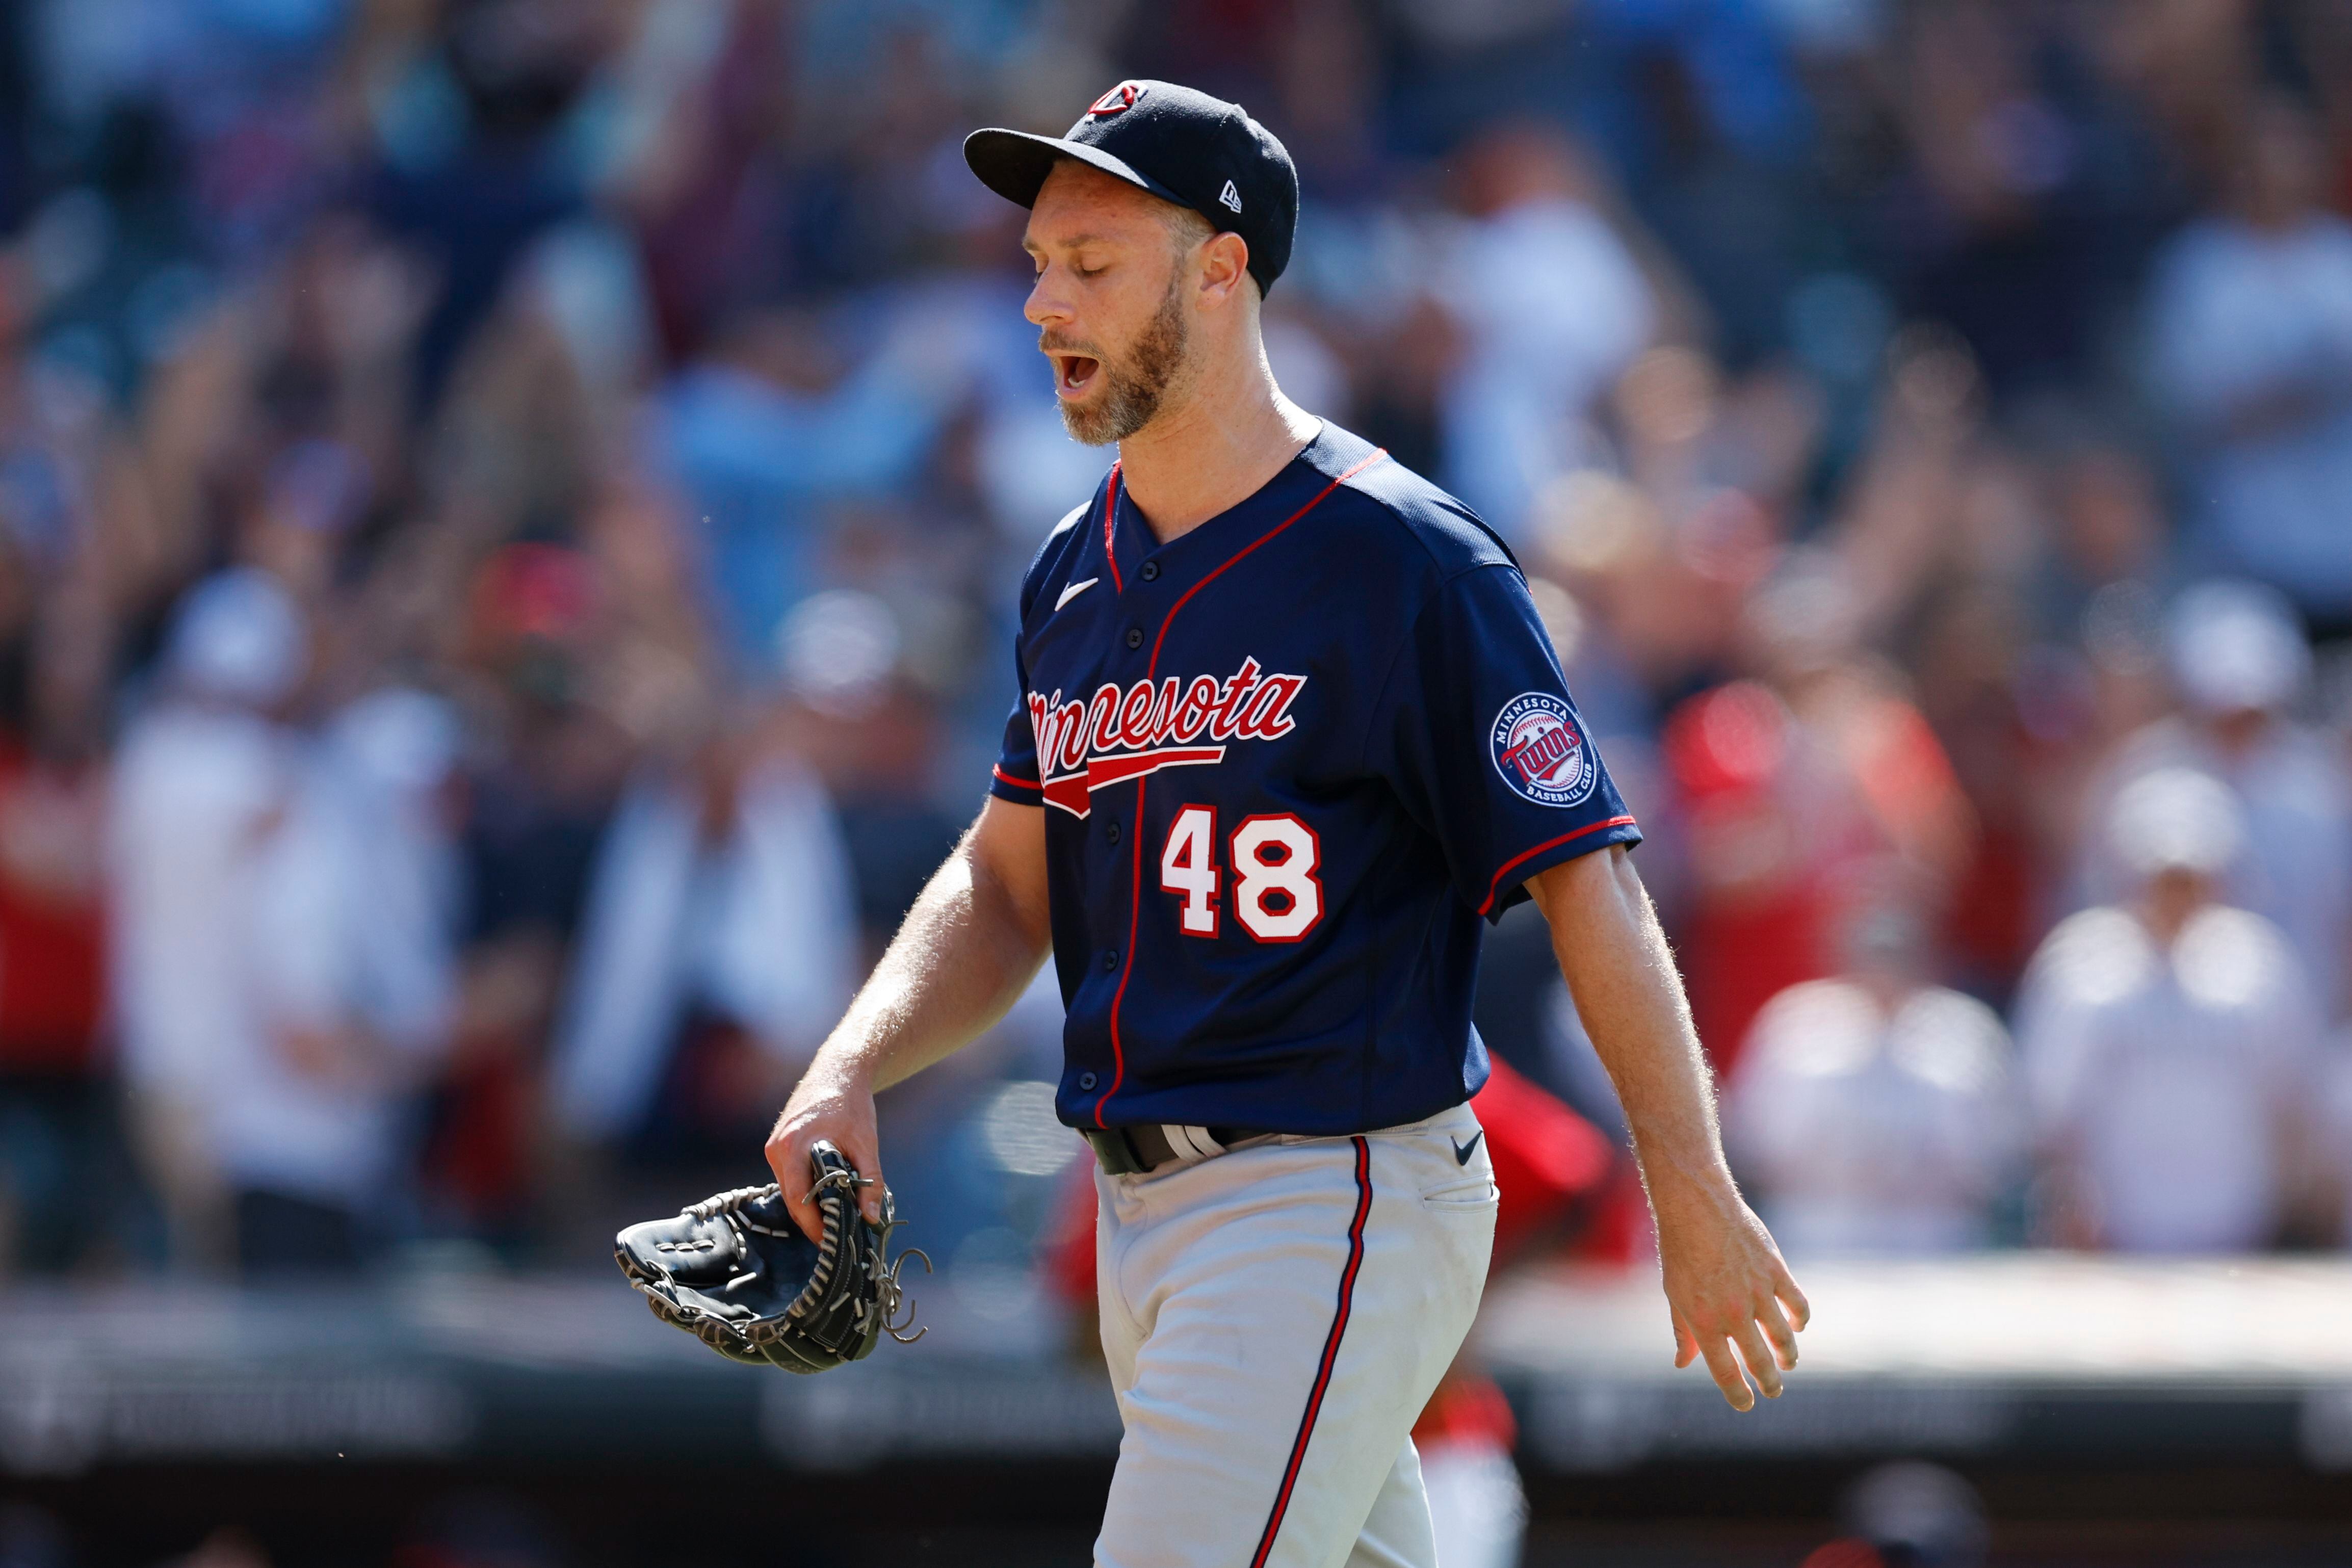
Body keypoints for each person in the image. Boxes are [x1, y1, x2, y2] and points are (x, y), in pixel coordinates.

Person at [765, 81, 1808, 1568]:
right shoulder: (1070, 573)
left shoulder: (1405, 559)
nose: (1042, 302)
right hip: (1147, 1220)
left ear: (1218, 267)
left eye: (1091, 261)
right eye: (1036, 263)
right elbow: (1005, 887)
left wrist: (1691, 1185)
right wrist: (851, 1062)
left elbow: (1587, 884)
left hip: (1329, 1189)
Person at [2015, 767, 2322, 1253]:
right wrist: (2069, 1203)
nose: (2177, 893)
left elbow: (2295, 1105)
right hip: (2116, 1236)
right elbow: (2049, 1109)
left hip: (2236, 1237)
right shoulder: (2080, 964)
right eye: (2164, 877)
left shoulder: (2262, 966)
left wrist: (2282, 1215)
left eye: (2191, 877)